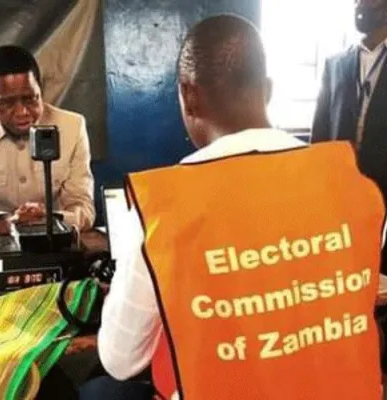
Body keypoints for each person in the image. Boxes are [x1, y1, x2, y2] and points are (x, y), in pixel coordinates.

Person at [88, 14, 386, 400]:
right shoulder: (355, 185)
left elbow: (120, 360)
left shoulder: (164, 207)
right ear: (269, 89)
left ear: (188, 96)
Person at [0, 45, 95, 238]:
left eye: (30, 99)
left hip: (54, 241)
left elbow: (84, 209)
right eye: (7, 103)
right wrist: (5, 224)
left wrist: (48, 219)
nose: (22, 112)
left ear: (40, 89)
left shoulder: (72, 127)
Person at [312, 0, 387, 271]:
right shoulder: (335, 64)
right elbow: (320, 130)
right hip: (340, 182)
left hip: (382, 182)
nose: (360, 5)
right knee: (339, 259)